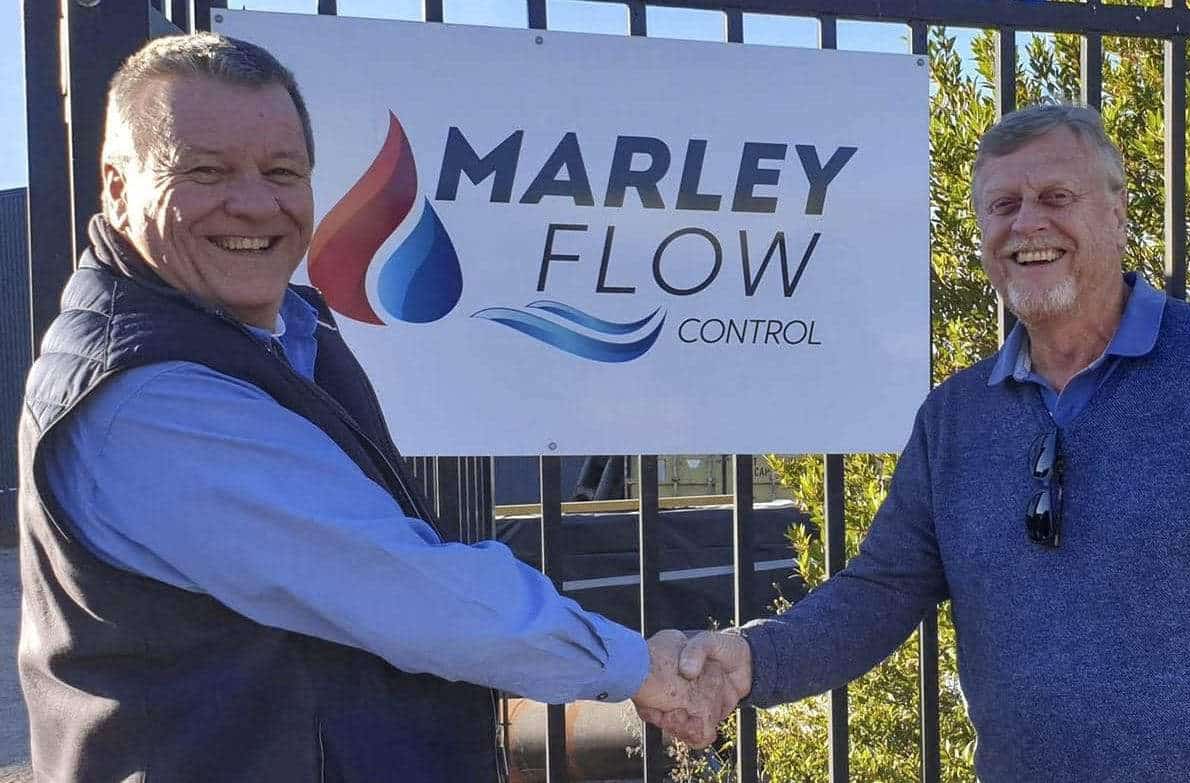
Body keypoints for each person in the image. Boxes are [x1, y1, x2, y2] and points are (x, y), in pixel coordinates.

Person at [16, 33, 724, 782]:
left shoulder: (274, 332)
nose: (255, 202)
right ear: (117, 185)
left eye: (282, 171)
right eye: (205, 171)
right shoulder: (153, 396)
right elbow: (405, 589)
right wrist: (633, 664)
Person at [655, 104, 1190, 781]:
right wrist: (752, 658)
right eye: (1002, 205)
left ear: (1116, 213)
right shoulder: (954, 418)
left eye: (1055, 198)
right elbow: (879, 592)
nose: (1026, 225)